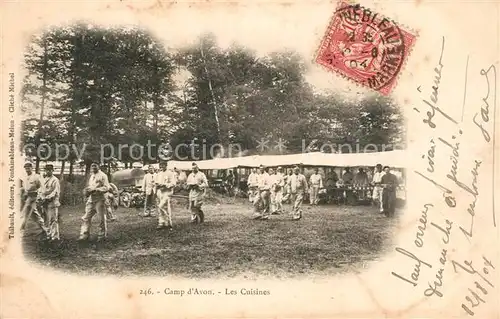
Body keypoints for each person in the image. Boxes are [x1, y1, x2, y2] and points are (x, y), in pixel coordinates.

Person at [79, 162, 111, 241]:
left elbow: (107, 188)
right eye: (92, 166)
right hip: (91, 199)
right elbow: (90, 187)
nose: (93, 167)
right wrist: (87, 191)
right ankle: (84, 235)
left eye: (95, 166)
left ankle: (102, 236)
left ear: (98, 166)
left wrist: (97, 189)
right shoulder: (92, 176)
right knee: (86, 217)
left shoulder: (103, 175)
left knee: (101, 219)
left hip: (100, 199)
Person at [20, 162, 49, 239]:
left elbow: (42, 187)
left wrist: (40, 196)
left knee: (25, 214)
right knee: (35, 215)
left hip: (34, 197)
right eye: (26, 168)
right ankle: (45, 230)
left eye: (28, 168)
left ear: (31, 168)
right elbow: (25, 188)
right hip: (28, 197)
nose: (27, 169)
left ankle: (21, 231)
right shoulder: (25, 178)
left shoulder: (36, 176)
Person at [38, 164, 61, 241]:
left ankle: (55, 237)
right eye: (46, 170)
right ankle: (49, 234)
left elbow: (55, 192)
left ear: (52, 170)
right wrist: (41, 198)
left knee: (53, 219)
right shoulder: (44, 179)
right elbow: (41, 190)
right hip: (44, 202)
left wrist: (47, 198)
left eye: (50, 170)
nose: (48, 171)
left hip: (52, 202)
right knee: (45, 219)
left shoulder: (55, 180)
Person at [155, 162, 177, 230]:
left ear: (166, 166)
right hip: (160, 192)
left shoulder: (170, 173)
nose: (161, 167)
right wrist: (157, 186)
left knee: (162, 206)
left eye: (163, 165)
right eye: (160, 166)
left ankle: (168, 222)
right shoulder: (159, 173)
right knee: (159, 208)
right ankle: (161, 223)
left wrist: (165, 185)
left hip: (167, 192)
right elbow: (156, 182)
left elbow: (173, 183)